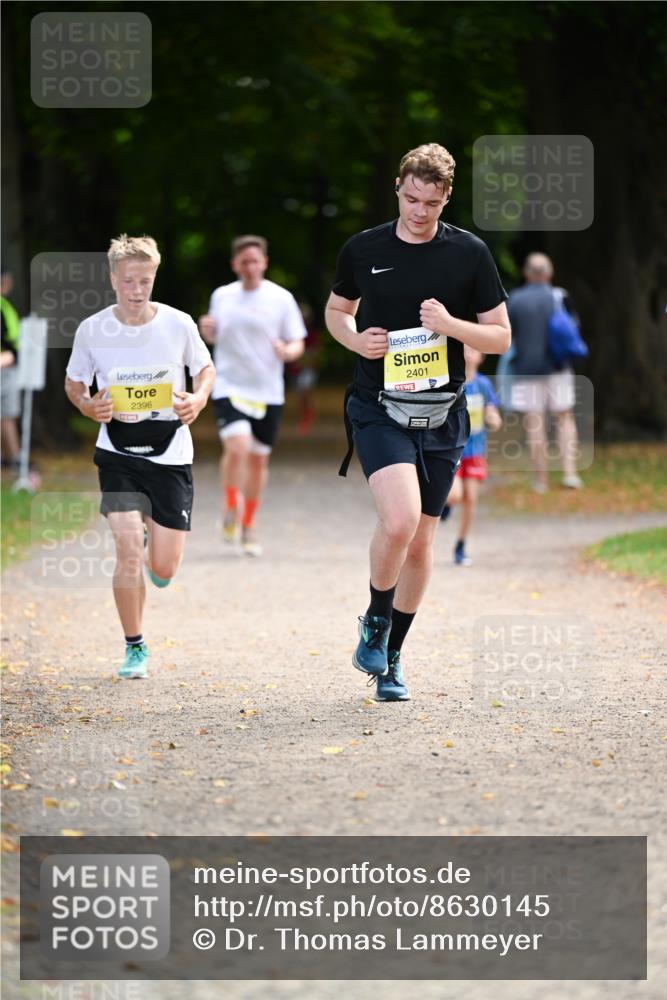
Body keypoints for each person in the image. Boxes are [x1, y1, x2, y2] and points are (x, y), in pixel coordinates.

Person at [326, 143, 510, 702]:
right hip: (378, 406)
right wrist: (357, 339)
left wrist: (452, 325)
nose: (419, 211)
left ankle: (393, 658)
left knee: (423, 542)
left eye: (431, 202)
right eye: (411, 199)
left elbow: (500, 336)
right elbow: (337, 311)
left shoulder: (470, 254)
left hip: (443, 412)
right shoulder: (363, 248)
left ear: (446, 197)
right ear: (398, 190)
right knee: (401, 520)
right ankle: (376, 621)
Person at [65, 235, 215, 679]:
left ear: (154, 277)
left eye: (145, 280)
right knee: (128, 548)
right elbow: (75, 383)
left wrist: (199, 399)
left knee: (163, 567)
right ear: (113, 279)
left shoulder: (178, 323)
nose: (136, 289)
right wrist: (89, 405)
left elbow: (204, 369)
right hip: (117, 451)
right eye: (128, 280)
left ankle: (156, 545)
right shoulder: (93, 329)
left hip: (171, 452)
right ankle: (134, 646)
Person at [198, 235, 306, 556]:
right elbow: (213, 335)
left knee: (258, 461)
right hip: (229, 385)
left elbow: (297, 341)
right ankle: (231, 503)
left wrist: (287, 351)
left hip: (268, 391)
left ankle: (248, 524)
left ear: (265, 263)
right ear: (235, 265)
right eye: (243, 261)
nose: (250, 267)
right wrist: (207, 331)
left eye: (255, 261)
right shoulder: (222, 296)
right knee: (237, 446)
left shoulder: (281, 298)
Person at [507, 253, 583, 492]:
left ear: (526, 273)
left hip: (526, 369)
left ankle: (541, 479)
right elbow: (574, 328)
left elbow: (508, 336)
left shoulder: (515, 300)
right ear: (549, 274)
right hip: (558, 367)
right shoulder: (560, 296)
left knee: (535, 423)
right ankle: (570, 473)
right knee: (564, 419)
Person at [441, 345, 501, 566]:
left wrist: (493, 418)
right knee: (455, 494)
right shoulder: (449, 379)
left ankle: (461, 544)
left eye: (474, 349)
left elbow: (494, 413)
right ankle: (445, 504)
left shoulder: (484, 385)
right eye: (465, 348)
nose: (469, 353)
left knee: (471, 498)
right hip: (452, 449)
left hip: (475, 451)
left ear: (481, 356)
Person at [1, 269, 22, 470]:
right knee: (7, 414)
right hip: (4, 366)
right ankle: (15, 458)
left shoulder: (4, 305)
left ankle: (12, 457)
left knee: (6, 414)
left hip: (7, 365)